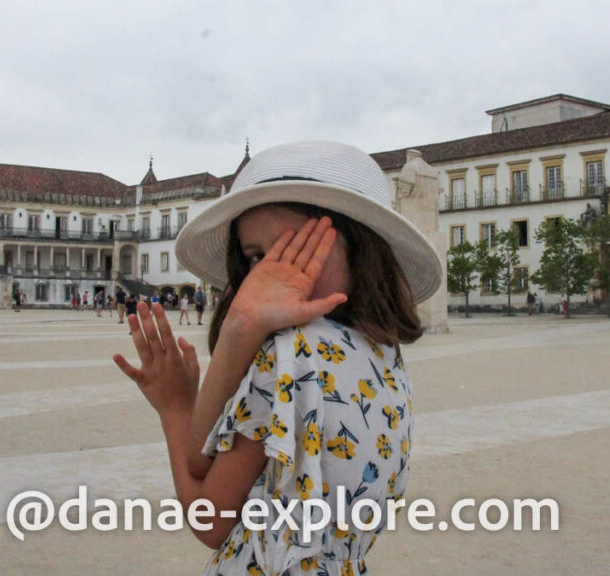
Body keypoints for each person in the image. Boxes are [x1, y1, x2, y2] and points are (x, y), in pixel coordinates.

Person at [112, 141, 442, 575]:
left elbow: (209, 518)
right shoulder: (384, 355)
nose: (270, 275)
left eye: (297, 248)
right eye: (256, 257)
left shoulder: (291, 355)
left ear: (361, 246)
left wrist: (176, 406)